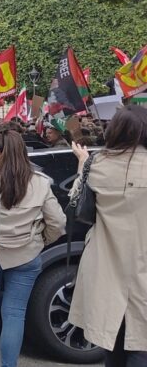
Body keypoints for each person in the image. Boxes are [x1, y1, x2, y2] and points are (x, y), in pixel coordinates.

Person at [69, 106, 147, 366]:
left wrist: (82, 163)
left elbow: (79, 203)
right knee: (141, 343)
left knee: (113, 339)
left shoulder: (96, 163)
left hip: (106, 262)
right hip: (142, 260)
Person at [0, 130, 66, 367]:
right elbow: (58, 222)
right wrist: (42, 241)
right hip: (26, 253)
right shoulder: (39, 181)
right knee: (14, 314)